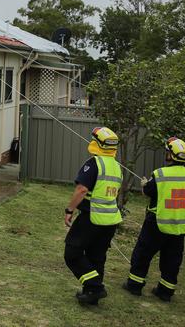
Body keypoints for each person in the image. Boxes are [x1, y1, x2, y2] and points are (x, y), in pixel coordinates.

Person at [122, 137, 185, 302]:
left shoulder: (160, 174)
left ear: (171, 155)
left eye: (168, 152)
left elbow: (148, 192)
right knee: (172, 259)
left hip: (157, 223)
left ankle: (134, 286)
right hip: (179, 226)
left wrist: (145, 184)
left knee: (143, 253)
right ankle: (165, 292)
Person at [64, 126, 123, 305]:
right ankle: (91, 295)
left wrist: (69, 210)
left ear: (96, 143)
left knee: (72, 253)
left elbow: (82, 189)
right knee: (96, 257)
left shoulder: (94, 163)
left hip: (92, 217)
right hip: (110, 220)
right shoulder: (116, 167)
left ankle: (95, 286)